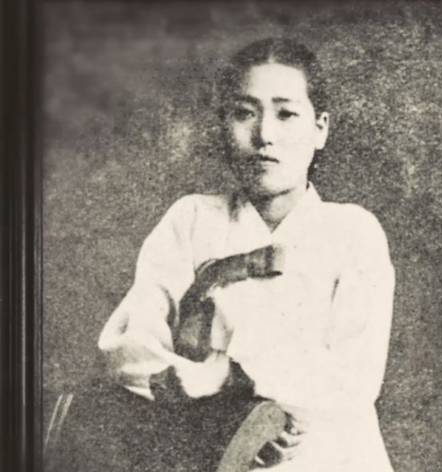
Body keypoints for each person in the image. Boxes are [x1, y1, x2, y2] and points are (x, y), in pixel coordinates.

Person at [95, 37, 396, 472]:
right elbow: (128, 344)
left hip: (328, 452)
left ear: (320, 128)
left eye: (286, 114)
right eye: (244, 113)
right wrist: (207, 399)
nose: (264, 135)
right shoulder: (192, 219)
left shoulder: (353, 231)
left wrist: (236, 377)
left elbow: (354, 377)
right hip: (212, 451)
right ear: (224, 125)